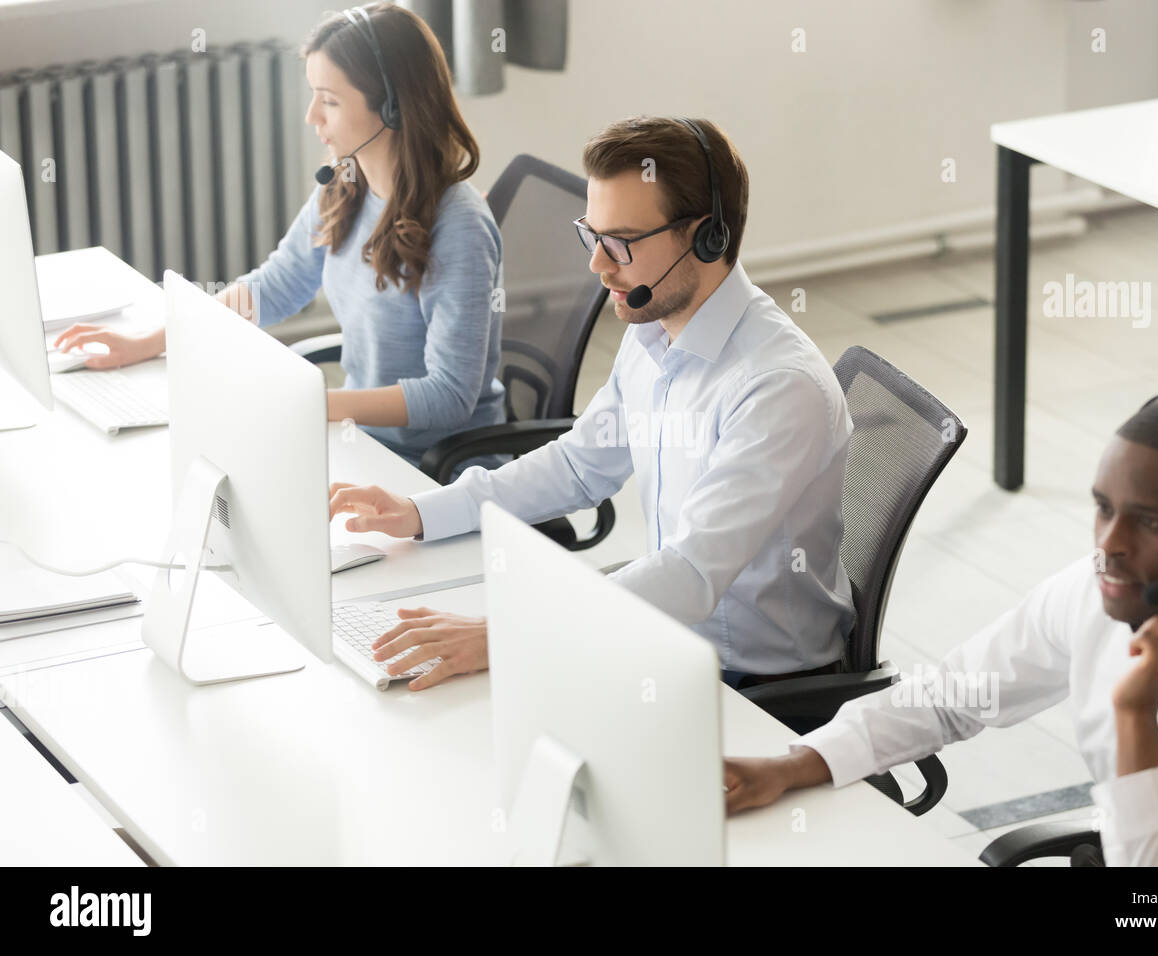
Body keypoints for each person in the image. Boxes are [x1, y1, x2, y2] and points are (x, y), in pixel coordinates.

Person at [329, 115, 857, 692]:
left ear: (708, 237)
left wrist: (505, 631)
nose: (597, 265)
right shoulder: (654, 330)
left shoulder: (778, 386)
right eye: (592, 235)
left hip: (749, 687)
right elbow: (581, 464)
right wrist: (425, 512)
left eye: (621, 243)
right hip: (670, 639)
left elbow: (691, 573)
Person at [724, 390, 1158, 866]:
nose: (1109, 546)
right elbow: (951, 697)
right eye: (1104, 508)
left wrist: (1136, 716)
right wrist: (793, 766)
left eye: (1149, 522)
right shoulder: (1099, 589)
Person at [53, 2, 505, 467]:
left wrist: (316, 406)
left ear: (392, 108)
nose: (312, 116)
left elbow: (450, 395)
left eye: (329, 100)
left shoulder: (459, 227)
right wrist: (150, 342)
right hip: (361, 441)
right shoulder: (347, 184)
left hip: (436, 466)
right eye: (313, 94)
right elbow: (275, 286)